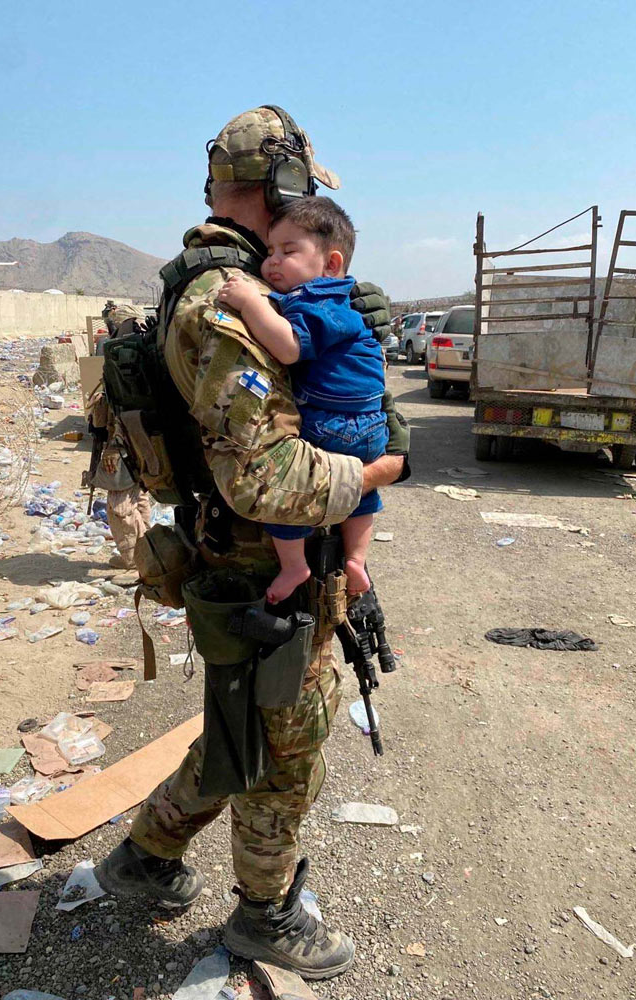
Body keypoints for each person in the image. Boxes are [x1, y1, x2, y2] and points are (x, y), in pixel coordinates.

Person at [94, 106, 406, 980]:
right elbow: (264, 480)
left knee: (241, 734)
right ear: (278, 189)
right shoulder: (220, 301)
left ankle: (144, 859)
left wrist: (352, 345)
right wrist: (377, 469)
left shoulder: (250, 288)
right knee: (283, 754)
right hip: (259, 562)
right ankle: (264, 915)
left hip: (259, 558)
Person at [218, 197, 386, 603]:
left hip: (330, 424)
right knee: (365, 492)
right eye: (270, 251)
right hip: (371, 429)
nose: (272, 262)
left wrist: (250, 301)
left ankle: (295, 565)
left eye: (288, 251)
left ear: (330, 264)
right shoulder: (342, 302)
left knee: (286, 494)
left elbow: (289, 347)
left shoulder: (319, 301)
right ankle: (357, 559)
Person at [87, 303, 152, 569]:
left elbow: (111, 411)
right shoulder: (144, 358)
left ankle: (134, 559)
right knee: (139, 497)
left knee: (119, 502)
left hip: (123, 441)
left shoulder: (123, 361)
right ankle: (148, 553)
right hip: (144, 441)